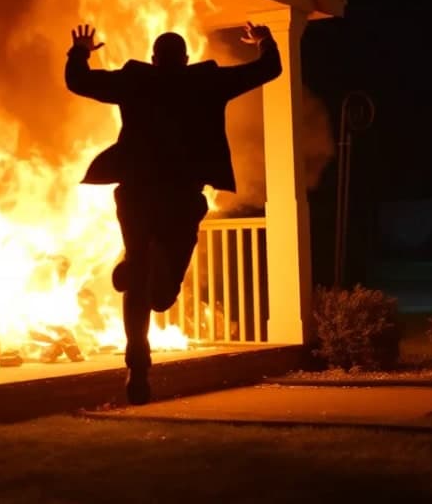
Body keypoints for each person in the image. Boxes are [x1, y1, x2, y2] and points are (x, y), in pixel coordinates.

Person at [65, 21, 282, 404]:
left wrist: (80, 51)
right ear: (184, 59)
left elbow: (80, 83)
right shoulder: (207, 82)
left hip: (136, 194)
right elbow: (268, 69)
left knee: (141, 279)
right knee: (161, 294)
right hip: (180, 198)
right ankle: (139, 355)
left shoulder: (135, 81)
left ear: (153, 59)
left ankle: (137, 364)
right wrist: (264, 40)